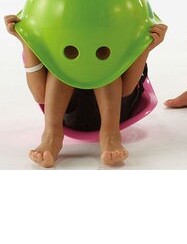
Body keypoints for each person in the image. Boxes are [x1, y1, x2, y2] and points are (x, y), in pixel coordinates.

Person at [4, 14, 167, 168]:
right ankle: (52, 135)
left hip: (118, 111)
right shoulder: (51, 44)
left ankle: (110, 135)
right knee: (62, 66)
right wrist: (26, 39)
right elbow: (40, 95)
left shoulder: (118, 37)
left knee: (104, 63)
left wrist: (145, 46)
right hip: (68, 114)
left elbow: (126, 90)